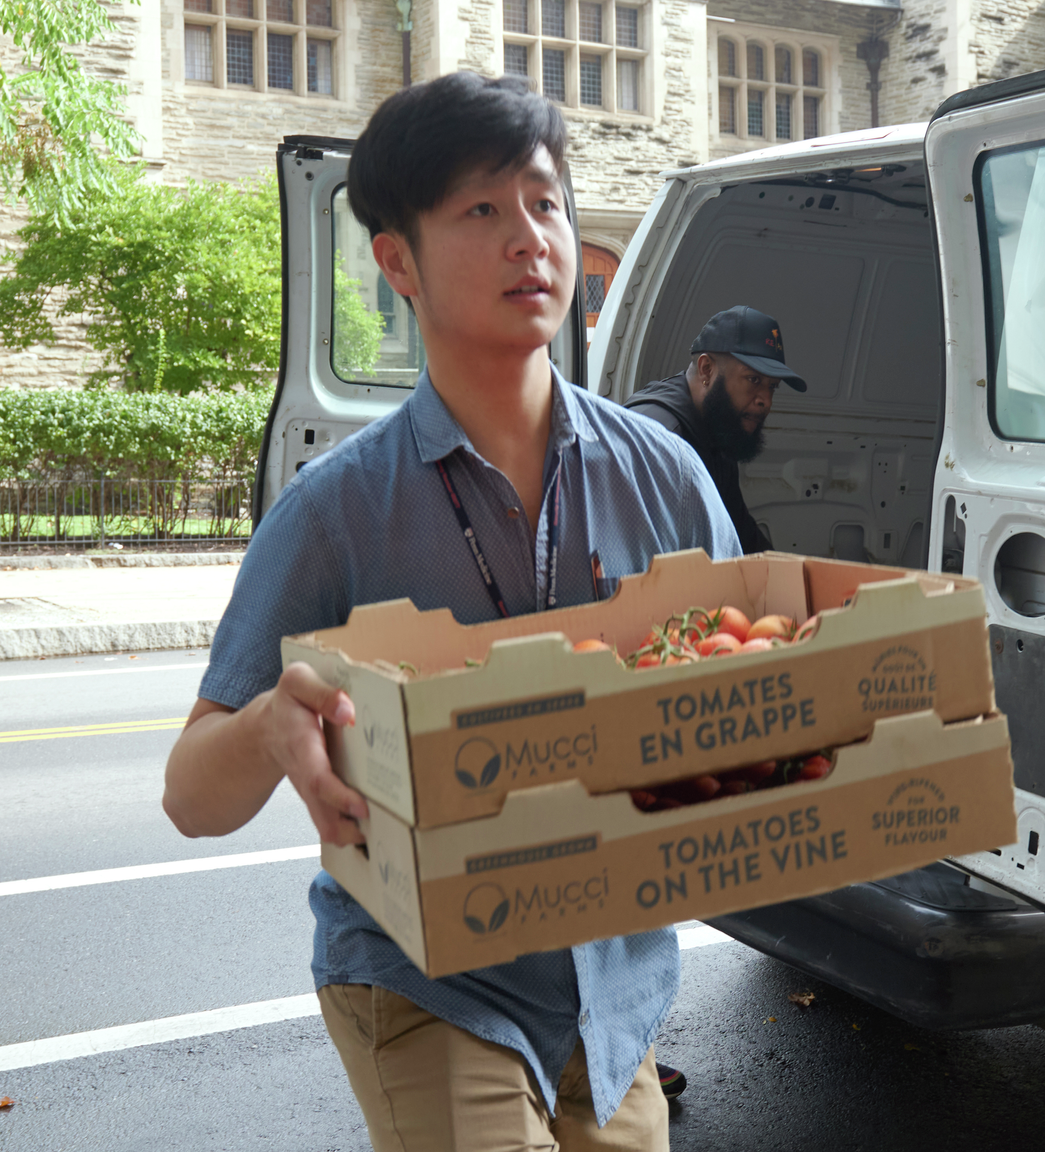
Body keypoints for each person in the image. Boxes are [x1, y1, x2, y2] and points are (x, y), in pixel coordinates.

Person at [161, 72, 736, 1151]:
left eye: (546, 202)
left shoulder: (666, 477)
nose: (531, 238)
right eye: (482, 209)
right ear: (396, 261)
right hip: (427, 976)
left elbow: (751, 691)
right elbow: (192, 797)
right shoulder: (337, 512)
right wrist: (271, 725)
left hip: (612, 989)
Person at [624, 306, 808, 553]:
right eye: (753, 380)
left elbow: (741, 537)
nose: (765, 399)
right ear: (706, 370)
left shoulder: (718, 431)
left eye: (772, 386)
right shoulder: (658, 438)